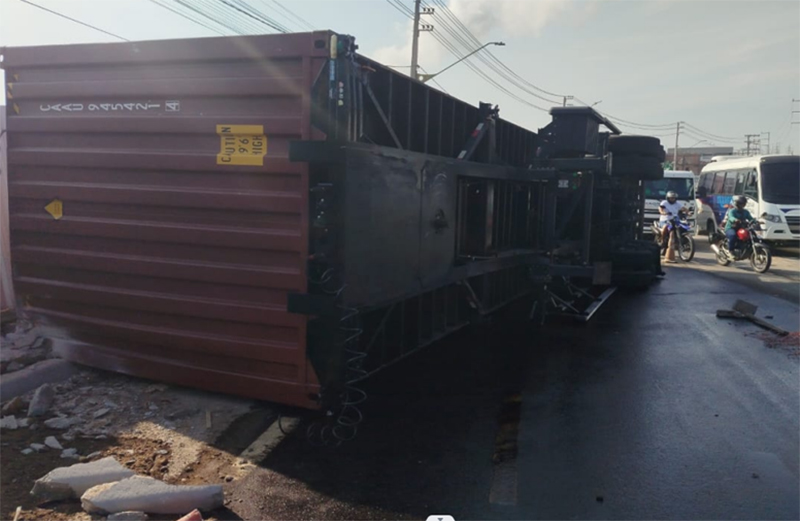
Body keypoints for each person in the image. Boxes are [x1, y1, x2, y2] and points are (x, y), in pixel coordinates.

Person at [658, 191, 686, 258]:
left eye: (673, 198)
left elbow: (684, 208)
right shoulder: (664, 202)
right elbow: (660, 208)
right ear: (668, 198)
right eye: (671, 198)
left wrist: (688, 212)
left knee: (683, 226)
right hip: (665, 219)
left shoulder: (678, 203)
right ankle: (662, 241)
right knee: (665, 227)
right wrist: (663, 212)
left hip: (675, 219)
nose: (672, 199)